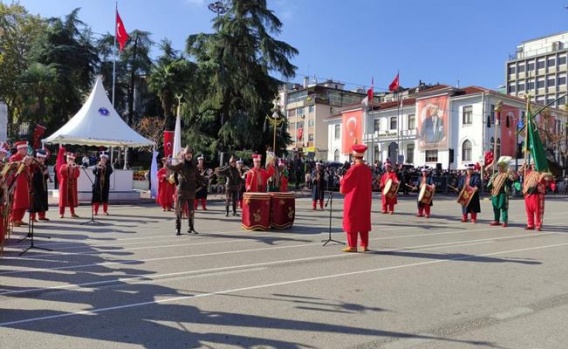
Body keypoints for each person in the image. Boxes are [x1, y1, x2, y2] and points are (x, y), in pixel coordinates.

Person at [339, 144, 372, 252]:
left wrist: (341, 179)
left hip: (353, 199)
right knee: (363, 220)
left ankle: (352, 245)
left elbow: (345, 183)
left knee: (351, 220)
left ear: (354, 156)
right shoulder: (367, 170)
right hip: (365, 200)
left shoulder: (353, 169)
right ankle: (364, 244)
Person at [167, 146, 202, 235]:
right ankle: (177, 229)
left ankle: (191, 228)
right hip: (181, 191)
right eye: (187, 154)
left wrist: (205, 179)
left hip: (191, 192)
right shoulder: (181, 165)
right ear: (184, 155)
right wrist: (167, 163)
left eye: (190, 154)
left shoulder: (194, 167)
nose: (189, 156)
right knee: (179, 210)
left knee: (191, 211)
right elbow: (173, 169)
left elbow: (199, 177)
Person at [519, 164, 553, 231]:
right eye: (532, 165)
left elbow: (550, 177)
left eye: (535, 164)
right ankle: (530, 224)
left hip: (536, 194)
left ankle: (538, 225)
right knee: (529, 211)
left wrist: (544, 174)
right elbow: (520, 172)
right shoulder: (529, 173)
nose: (533, 166)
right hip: (528, 194)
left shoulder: (541, 173)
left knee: (537, 211)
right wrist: (523, 165)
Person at [9, 141, 32, 226]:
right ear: (20, 149)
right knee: (17, 200)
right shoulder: (13, 157)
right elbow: (13, 169)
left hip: (24, 180)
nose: (26, 150)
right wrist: (23, 162)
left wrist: (29, 163)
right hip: (17, 181)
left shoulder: (26, 157)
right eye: (25, 148)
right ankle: (13, 219)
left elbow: (28, 169)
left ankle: (19, 219)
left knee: (24, 201)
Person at [487, 158, 516, 227]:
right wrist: (491, 164)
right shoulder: (496, 174)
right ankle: (496, 220)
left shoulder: (506, 174)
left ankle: (504, 221)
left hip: (503, 193)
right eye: (498, 167)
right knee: (495, 207)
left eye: (500, 167)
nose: (499, 168)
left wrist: (511, 172)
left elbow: (513, 179)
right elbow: (487, 170)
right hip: (494, 193)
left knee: (504, 207)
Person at [29, 149, 51, 222]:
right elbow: (34, 176)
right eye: (40, 158)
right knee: (35, 202)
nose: (42, 159)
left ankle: (42, 216)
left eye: (43, 158)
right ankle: (33, 217)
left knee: (43, 200)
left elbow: (45, 177)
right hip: (35, 186)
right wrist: (43, 173)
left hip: (42, 185)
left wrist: (46, 174)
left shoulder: (43, 165)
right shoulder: (34, 165)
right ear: (38, 157)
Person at [58, 153, 80, 218]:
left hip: (72, 185)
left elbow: (77, 175)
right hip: (65, 185)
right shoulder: (63, 166)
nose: (70, 160)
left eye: (71, 159)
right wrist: (68, 167)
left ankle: (72, 213)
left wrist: (75, 168)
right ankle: (61, 213)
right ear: (66, 159)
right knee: (63, 199)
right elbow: (61, 172)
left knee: (72, 200)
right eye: (69, 159)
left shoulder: (74, 166)